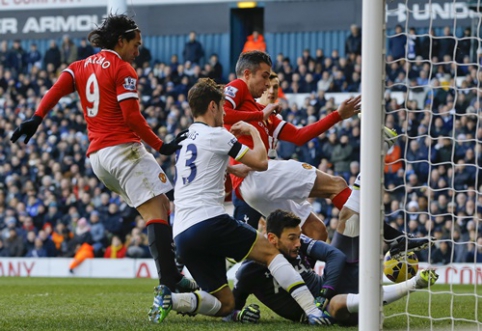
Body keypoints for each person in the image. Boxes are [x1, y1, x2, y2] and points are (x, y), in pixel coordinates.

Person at [10, 14, 196, 293]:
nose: (138, 50)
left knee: (161, 205)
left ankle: (173, 273)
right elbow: (132, 118)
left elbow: (56, 89)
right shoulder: (122, 69)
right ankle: (170, 279)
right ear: (120, 41)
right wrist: (162, 146)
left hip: (98, 159)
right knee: (158, 210)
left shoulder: (79, 66)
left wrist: (36, 118)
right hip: (123, 150)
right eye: (135, 43)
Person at [148, 78, 330, 326]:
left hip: (181, 232)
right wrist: (253, 130)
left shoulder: (183, 137)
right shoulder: (218, 135)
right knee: (269, 252)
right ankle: (312, 310)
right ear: (213, 106)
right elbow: (262, 162)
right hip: (209, 220)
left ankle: (172, 298)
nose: (225, 113)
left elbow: (205, 165)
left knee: (226, 304)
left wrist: (233, 169)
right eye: (223, 107)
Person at [223, 50, 361, 241]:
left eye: (275, 86)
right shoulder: (242, 93)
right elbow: (222, 112)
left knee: (315, 231)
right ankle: (383, 237)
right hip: (255, 177)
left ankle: (291, 271)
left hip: (261, 181)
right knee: (336, 185)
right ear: (247, 74)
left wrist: (337, 115)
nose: (269, 88)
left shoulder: (266, 114)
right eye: (265, 79)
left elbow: (299, 136)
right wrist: (259, 116)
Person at [231, 209, 439, 325]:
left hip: (333, 287)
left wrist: (325, 291)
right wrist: (239, 315)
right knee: (337, 303)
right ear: (272, 239)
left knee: (349, 215)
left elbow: (335, 255)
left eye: (298, 236)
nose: (298, 243)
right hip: (329, 310)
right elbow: (230, 307)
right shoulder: (249, 270)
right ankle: (414, 283)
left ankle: (377, 153)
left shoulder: (299, 242)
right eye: (292, 238)